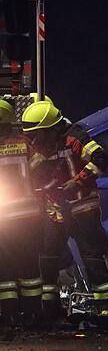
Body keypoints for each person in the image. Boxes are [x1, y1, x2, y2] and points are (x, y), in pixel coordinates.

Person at [21, 101, 108, 318]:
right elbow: (34, 172)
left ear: (52, 129)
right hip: (55, 210)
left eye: (38, 134)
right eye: (32, 135)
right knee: (47, 257)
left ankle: (106, 306)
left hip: (82, 208)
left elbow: (101, 159)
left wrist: (78, 182)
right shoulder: (40, 146)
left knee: (91, 256)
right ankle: (50, 307)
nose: (35, 140)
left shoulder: (74, 138)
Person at [0, 100, 43, 326]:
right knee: (29, 266)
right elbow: (42, 170)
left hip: (3, 220)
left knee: (5, 268)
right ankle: (33, 313)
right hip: (28, 217)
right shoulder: (25, 144)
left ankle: (9, 314)